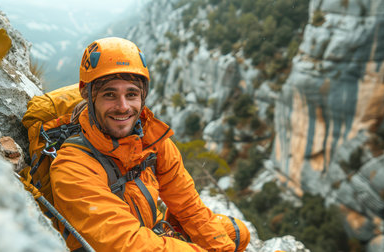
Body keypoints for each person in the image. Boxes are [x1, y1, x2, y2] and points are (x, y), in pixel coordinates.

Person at [50, 37, 250, 251]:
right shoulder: (72, 166)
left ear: (143, 96)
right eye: (110, 94)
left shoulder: (152, 140)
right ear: (87, 95)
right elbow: (128, 244)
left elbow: (189, 207)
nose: (123, 106)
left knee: (236, 233)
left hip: (149, 231)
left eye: (132, 94)